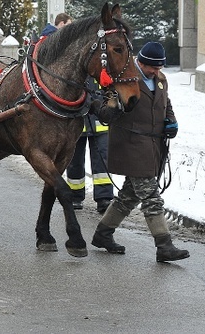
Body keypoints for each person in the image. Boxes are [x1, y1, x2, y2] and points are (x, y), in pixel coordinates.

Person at [91, 41, 189, 262]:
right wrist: (109, 105)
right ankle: (164, 245)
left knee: (128, 196)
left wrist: (171, 121)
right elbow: (107, 111)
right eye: (152, 68)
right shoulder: (125, 79)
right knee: (151, 196)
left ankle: (102, 234)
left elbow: (166, 103)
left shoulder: (160, 80)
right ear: (141, 63)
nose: (157, 72)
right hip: (130, 144)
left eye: (159, 68)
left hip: (153, 145)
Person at [65, 78, 113, 213]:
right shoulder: (76, 67)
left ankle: (104, 198)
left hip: (100, 123)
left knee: (102, 162)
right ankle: (75, 196)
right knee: (74, 161)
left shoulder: (102, 67)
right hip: (76, 123)